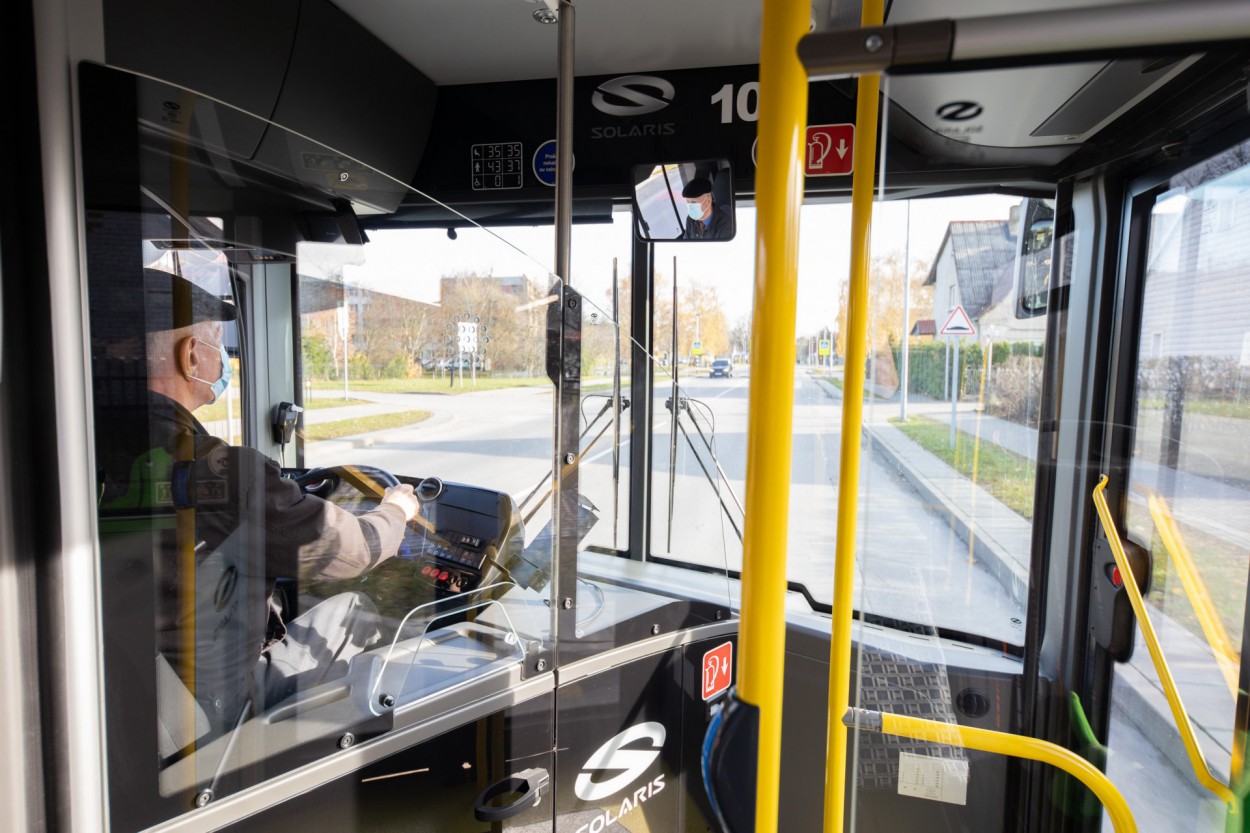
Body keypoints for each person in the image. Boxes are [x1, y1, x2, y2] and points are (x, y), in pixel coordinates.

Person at [96, 269, 420, 743]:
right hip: (211, 709)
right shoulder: (219, 472)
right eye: (216, 341)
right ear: (191, 355)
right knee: (355, 611)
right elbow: (352, 550)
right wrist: (396, 511)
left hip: (125, 695)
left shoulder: (77, 441)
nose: (224, 356)